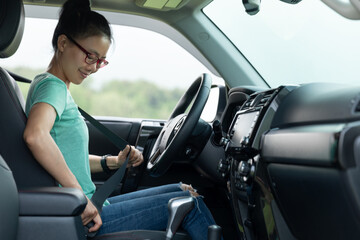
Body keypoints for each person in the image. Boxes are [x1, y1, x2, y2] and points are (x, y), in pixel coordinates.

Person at [23, 0, 219, 239]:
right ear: (63, 43)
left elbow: (64, 155)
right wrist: (80, 197)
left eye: (101, 61)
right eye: (89, 57)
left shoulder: (53, 86)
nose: (94, 67)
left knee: (183, 190)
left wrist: (113, 162)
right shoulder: (52, 87)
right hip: (81, 215)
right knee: (191, 204)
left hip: (87, 205)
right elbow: (36, 136)